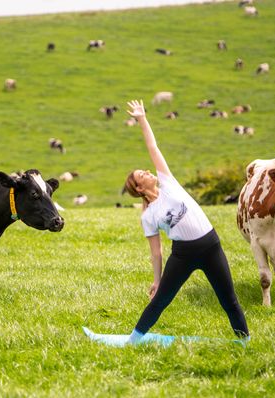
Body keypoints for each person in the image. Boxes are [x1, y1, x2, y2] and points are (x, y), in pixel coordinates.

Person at [86, 99, 249, 346]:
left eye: (147, 170)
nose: (149, 172)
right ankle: (133, 340)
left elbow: (153, 146)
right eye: (143, 175)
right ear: (139, 187)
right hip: (183, 254)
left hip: (210, 245)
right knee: (160, 300)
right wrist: (157, 280)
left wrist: (142, 118)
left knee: (229, 299)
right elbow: (156, 252)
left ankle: (244, 341)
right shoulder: (147, 216)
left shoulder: (168, 182)